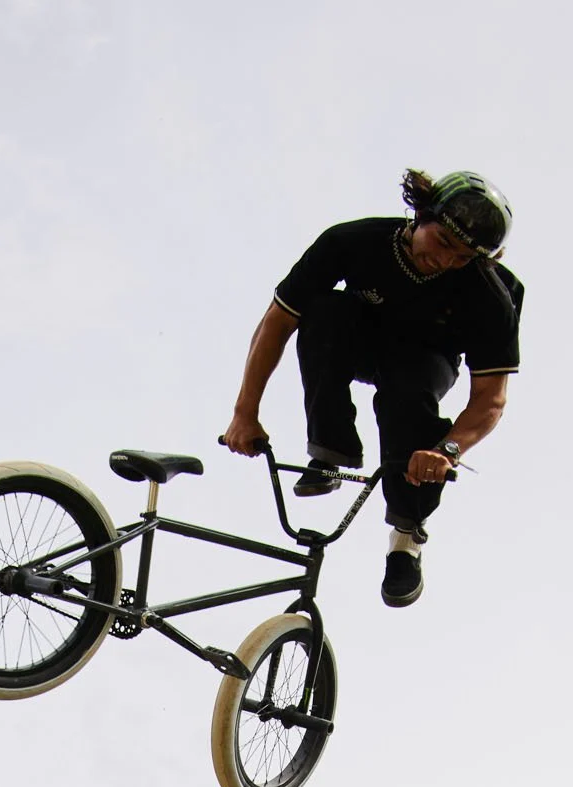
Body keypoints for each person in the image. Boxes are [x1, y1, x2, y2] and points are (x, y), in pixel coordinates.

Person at [223, 169, 521, 609]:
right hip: (361, 339)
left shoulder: (489, 296)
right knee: (321, 314)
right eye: (441, 243)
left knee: (406, 391)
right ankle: (330, 449)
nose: (445, 261)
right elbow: (278, 321)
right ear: (423, 214)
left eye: (461, 258)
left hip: (426, 362)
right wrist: (245, 412)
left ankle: (406, 537)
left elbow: (490, 401)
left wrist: (447, 451)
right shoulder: (352, 241)